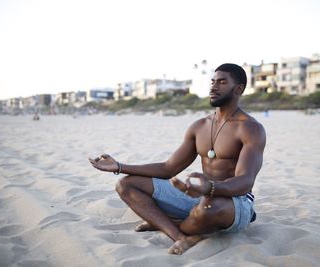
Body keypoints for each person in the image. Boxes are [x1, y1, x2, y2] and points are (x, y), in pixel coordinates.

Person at [89, 63, 266, 255]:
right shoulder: (199, 126)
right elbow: (168, 168)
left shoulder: (250, 128)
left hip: (235, 202)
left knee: (209, 207)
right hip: (200, 196)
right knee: (126, 185)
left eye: (222, 82)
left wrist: (211, 188)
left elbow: (245, 181)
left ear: (238, 89)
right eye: (212, 81)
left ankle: (168, 222)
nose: (214, 86)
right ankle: (180, 236)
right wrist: (120, 166)